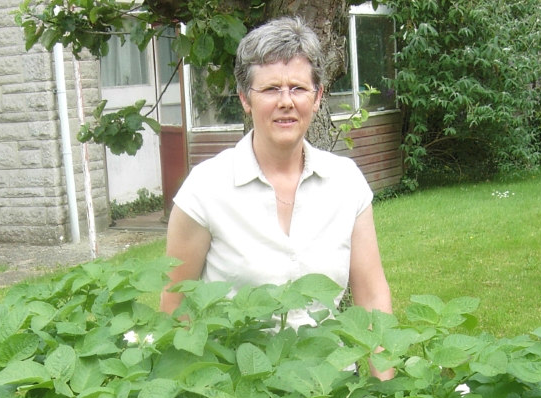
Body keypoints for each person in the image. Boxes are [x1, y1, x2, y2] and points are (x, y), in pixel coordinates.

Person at [159, 16, 393, 355]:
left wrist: (383, 389)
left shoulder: (346, 183)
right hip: (239, 391)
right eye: (270, 89)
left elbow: (372, 297)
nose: (286, 101)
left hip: (327, 390)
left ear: (317, 97)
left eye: (298, 88)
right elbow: (174, 306)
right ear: (244, 98)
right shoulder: (205, 189)